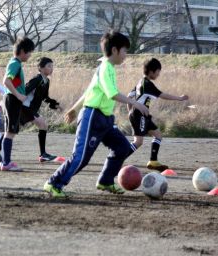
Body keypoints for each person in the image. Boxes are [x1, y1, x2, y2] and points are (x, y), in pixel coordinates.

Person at [43, 31, 149, 198]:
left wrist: (74, 109)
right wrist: (135, 103)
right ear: (114, 50)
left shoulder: (108, 68)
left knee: (122, 147)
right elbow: (112, 93)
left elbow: (89, 91)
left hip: (105, 120)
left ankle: (106, 181)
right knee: (81, 158)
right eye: (124, 51)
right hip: (93, 117)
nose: (125, 55)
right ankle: (54, 183)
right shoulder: (105, 67)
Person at [0, 57, 62, 162]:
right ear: (40, 68)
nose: (51, 68)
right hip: (25, 107)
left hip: (28, 108)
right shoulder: (37, 79)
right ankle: (43, 155)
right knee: (43, 125)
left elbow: (45, 97)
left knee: (10, 132)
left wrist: (55, 104)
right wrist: (10, 102)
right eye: (49, 66)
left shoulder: (46, 81)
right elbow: (25, 89)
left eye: (52, 66)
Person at [127, 58, 189, 171]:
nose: (158, 74)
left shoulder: (140, 82)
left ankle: (153, 161)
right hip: (139, 115)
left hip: (143, 115)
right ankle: (117, 159)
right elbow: (162, 95)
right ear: (151, 71)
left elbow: (129, 97)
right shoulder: (147, 84)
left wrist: (129, 111)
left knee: (158, 135)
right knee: (138, 142)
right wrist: (179, 98)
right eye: (158, 72)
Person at [0, 37, 35, 171]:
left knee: (10, 131)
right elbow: (6, 81)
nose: (30, 55)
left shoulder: (15, 63)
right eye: (29, 52)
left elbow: (12, 82)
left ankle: (5, 161)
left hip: (11, 99)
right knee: (10, 132)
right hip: (12, 100)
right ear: (21, 51)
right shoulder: (15, 63)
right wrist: (19, 95)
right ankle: (6, 163)